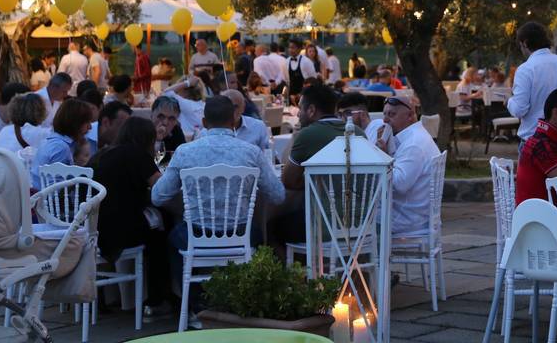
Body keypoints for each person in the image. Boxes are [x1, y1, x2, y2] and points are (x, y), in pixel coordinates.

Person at [151, 96, 285, 325]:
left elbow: (157, 196)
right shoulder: (251, 152)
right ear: (234, 120)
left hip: (197, 235)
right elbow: (278, 195)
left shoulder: (185, 152)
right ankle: (242, 304)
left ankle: (195, 306)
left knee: (174, 238)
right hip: (240, 234)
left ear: (203, 121)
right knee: (259, 236)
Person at [92, 117, 171, 320]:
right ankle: (157, 299)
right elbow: (161, 187)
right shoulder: (137, 155)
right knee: (162, 235)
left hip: (96, 229)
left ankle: (112, 297)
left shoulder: (103, 154)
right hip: (120, 231)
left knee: (156, 227)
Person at [277, 85, 362, 243]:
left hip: (323, 222)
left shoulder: (308, 135)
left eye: (300, 109)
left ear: (311, 110)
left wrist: (316, 180)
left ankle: (304, 266)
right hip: (359, 220)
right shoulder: (358, 132)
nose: (299, 115)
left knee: (268, 227)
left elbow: (287, 180)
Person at [375, 95, 441, 235]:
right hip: (415, 214)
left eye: (392, 115)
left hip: (405, 219)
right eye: (385, 114)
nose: (385, 120)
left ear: (410, 115)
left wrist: (382, 156)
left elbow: (399, 185)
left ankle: (369, 256)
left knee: (356, 221)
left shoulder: (413, 144)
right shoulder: (416, 135)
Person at [508, 22, 557, 144]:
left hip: (534, 139)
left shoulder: (526, 69)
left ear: (524, 43)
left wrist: (509, 101)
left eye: (520, 46)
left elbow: (519, 109)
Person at [515, 89, 557, 205]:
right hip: (537, 220)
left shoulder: (549, 140)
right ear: (556, 113)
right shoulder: (543, 145)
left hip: (538, 214)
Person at [31, 98, 95, 189]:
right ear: (75, 123)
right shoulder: (60, 147)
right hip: (45, 200)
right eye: (87, 122)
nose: (90, 127)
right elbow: (55, 190)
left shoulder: (53, 141)